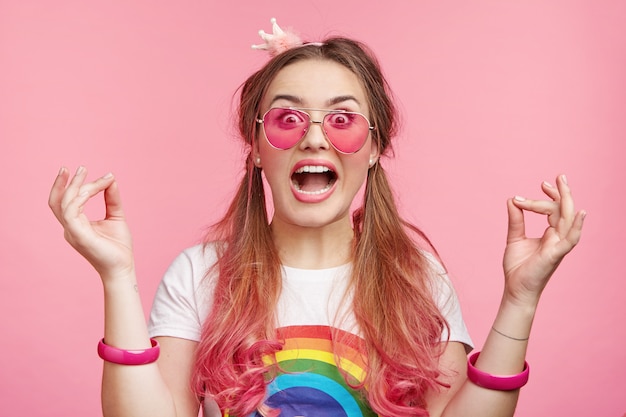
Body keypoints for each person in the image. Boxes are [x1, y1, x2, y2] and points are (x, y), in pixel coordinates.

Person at [48, 18, 585, 417]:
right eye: (287, 117)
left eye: (342, 119)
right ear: (256, 145)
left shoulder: (415, 277)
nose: (313, 136)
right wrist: (116, 278)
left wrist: (521, 299)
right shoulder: (199, 273)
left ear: (374, 148)